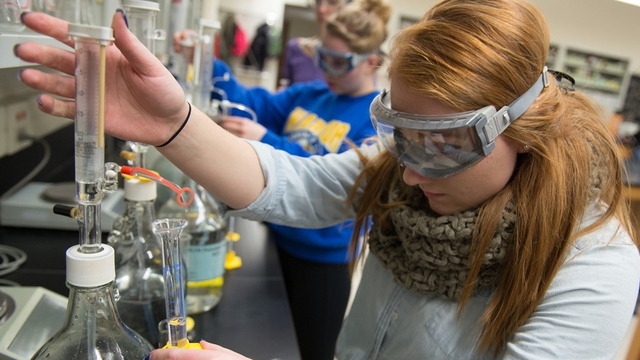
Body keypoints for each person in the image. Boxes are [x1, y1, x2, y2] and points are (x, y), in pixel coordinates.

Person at [14, 0, 640, 359]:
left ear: (521, 127)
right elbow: (296, 183)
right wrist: (173, 121)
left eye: (447, 144)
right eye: (402, 136)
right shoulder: (407, 170)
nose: (415, 170)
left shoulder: (591, 263)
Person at [177, 1, 389, 358]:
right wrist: (203, 57)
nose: (326, 70)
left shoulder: (376, 121)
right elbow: (248, 101)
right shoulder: (310, 94)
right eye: (322, 56)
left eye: (338, 62)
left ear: (372, 61)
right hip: (275, 244)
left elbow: (330, 181)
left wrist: (267, 138)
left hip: (322, 264)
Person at [279, 0, 346, 86]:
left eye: (332, 2)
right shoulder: (295, 48)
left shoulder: (354, 56)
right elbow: (286, 90)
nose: (322, 9)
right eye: (318, 2)